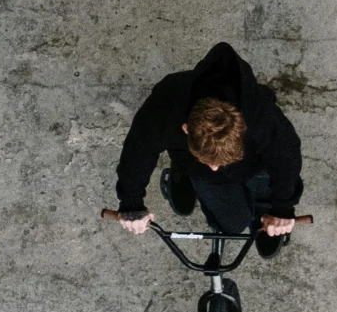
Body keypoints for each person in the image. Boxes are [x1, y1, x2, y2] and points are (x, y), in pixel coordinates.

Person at [113, 41, 305, 257]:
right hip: (192, 163)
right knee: (233, 223)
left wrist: (282, 209)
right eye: (210, 161)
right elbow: (138, 151)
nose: (215, 168)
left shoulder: (260, 116)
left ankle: (263, 214)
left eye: (219, 162)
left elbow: (286, 156)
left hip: (254, 160)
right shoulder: (165, 105)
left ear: (243, 131)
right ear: (186, 129)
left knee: (265, 189)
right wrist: (131, 203)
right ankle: (180, 173)